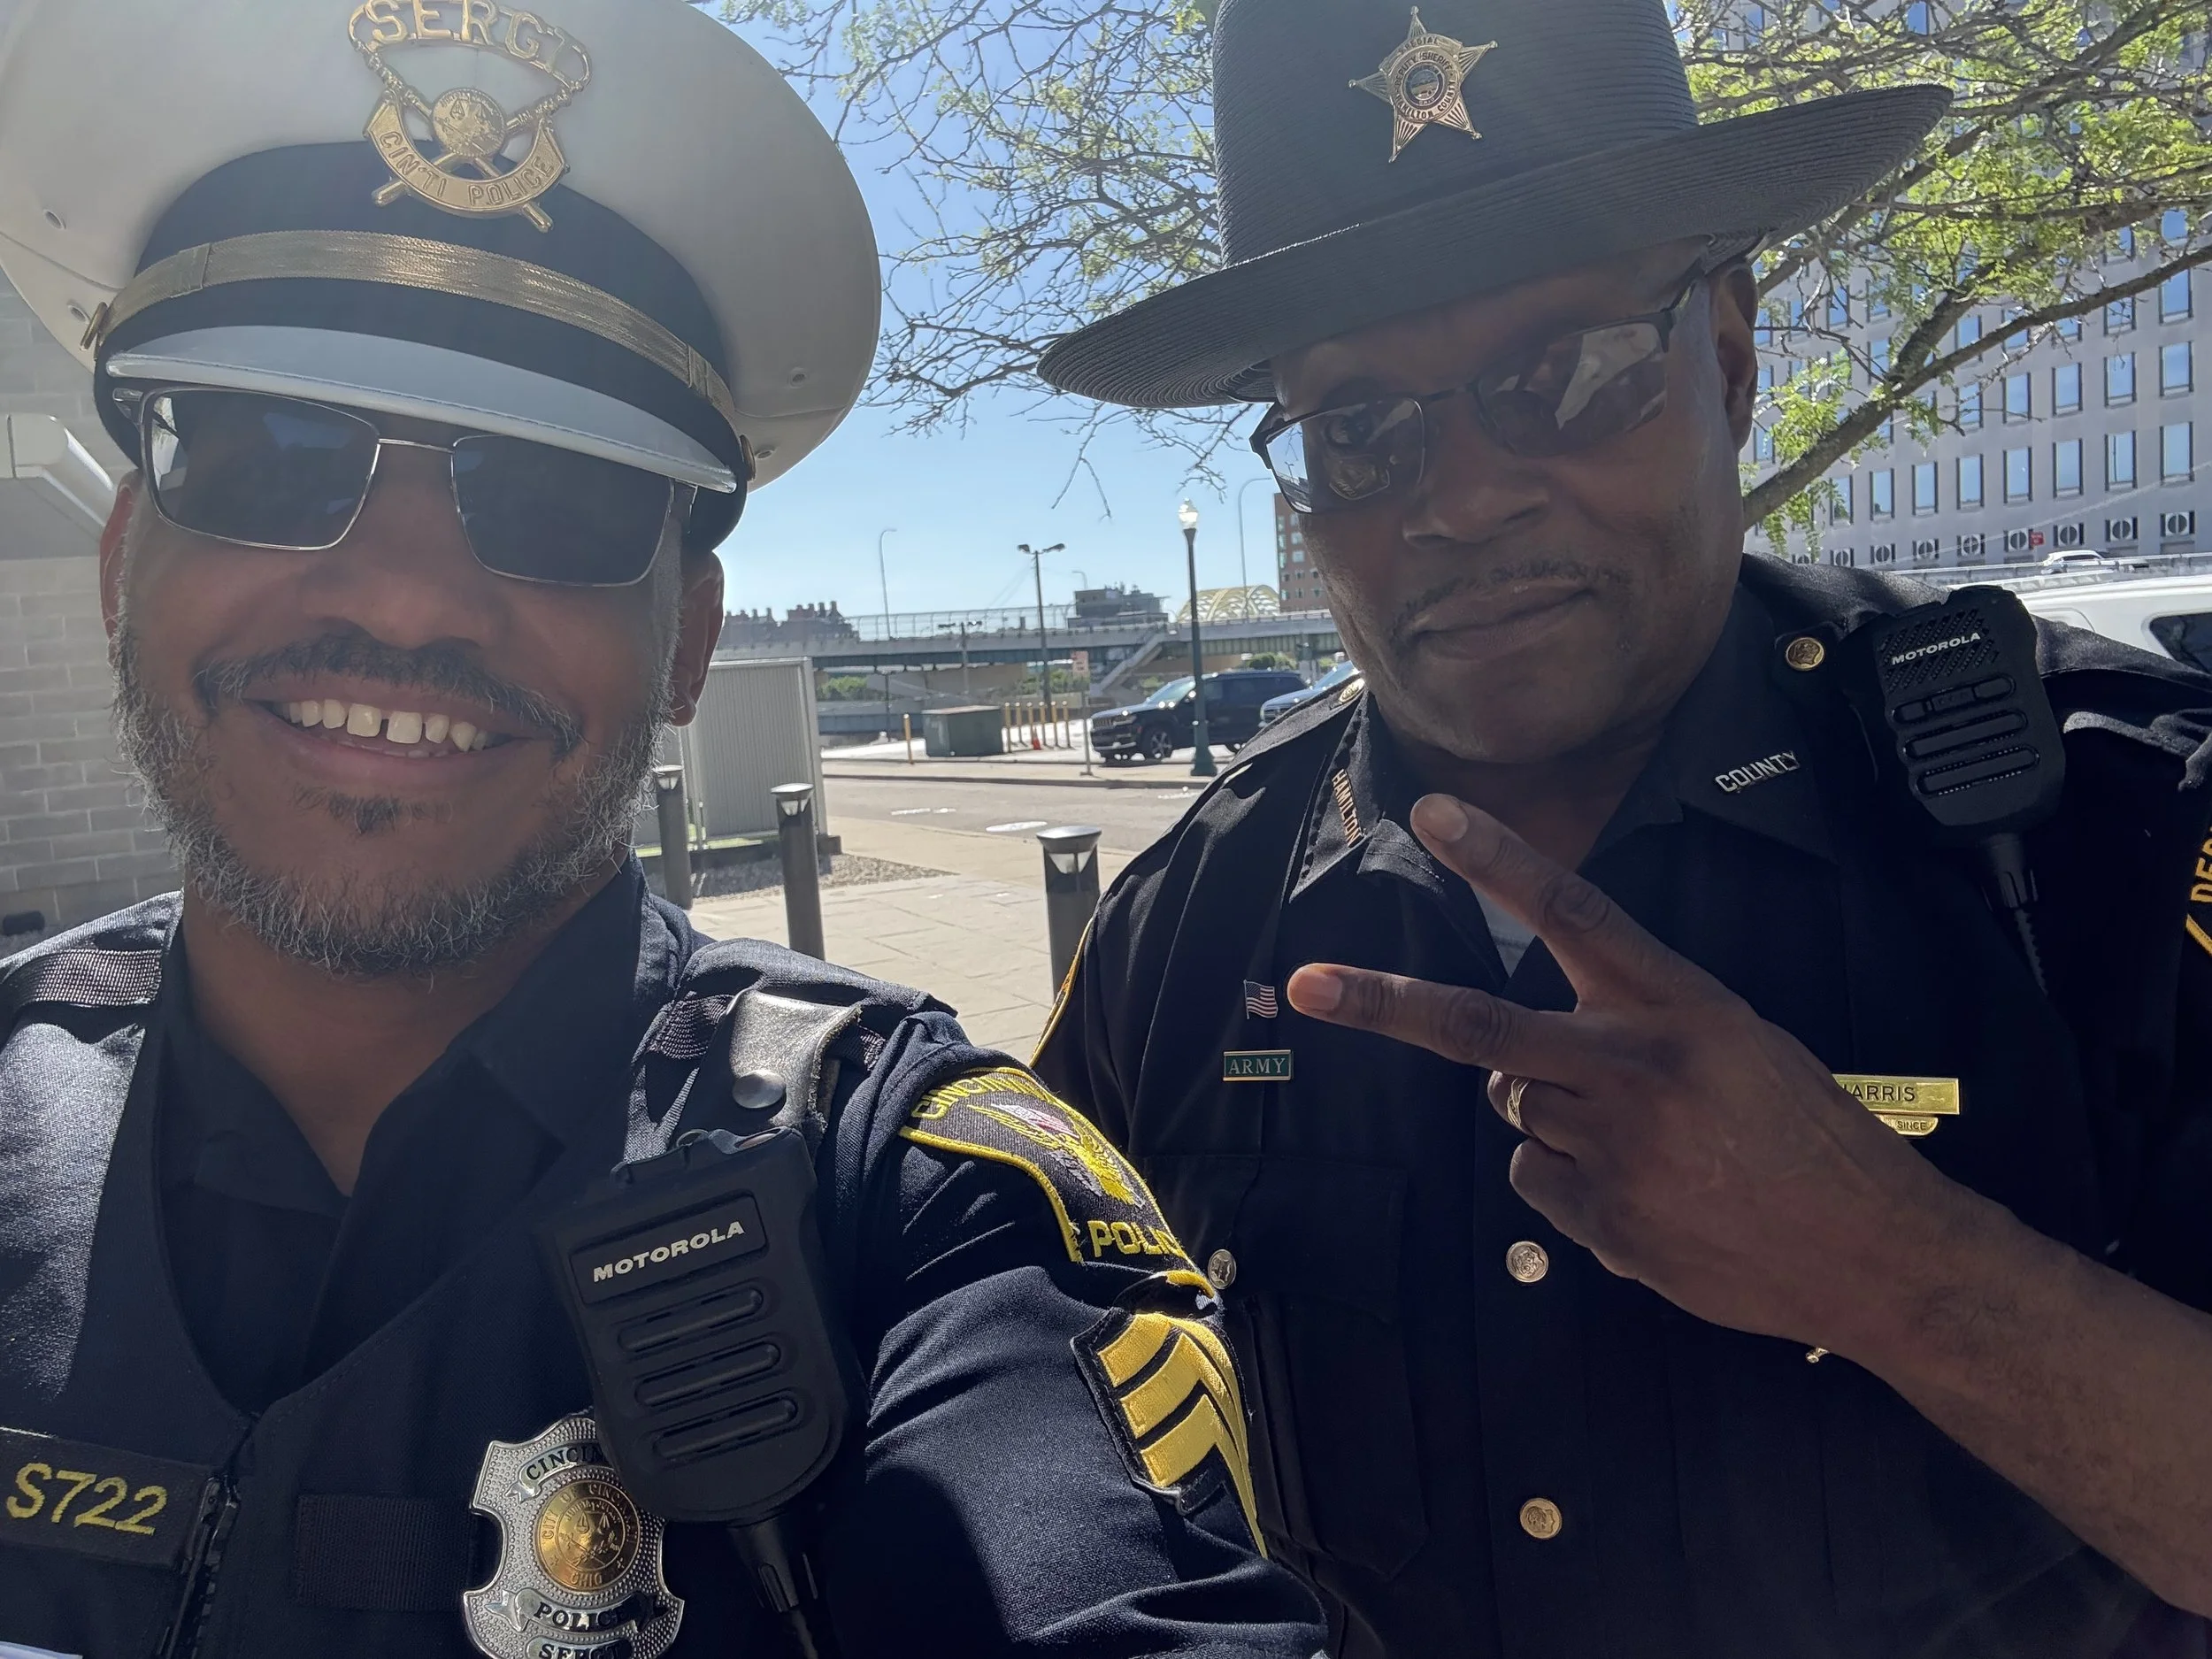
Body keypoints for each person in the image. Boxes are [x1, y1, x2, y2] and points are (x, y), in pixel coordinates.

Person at [0, 4, 1328, 1655]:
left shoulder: (911, 1205)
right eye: (271, 454)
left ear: (690, 639)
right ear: (122, 562)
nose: (405, 593)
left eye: (557, 495)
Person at [1031, 0, 2212, 1655]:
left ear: (1726, 355)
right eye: (1361, 429)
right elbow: (1062, 1467)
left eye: (1564, 374)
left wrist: (1897, 1269)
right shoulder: (1183, 932)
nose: (1461, 496)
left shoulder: (2118, 826)